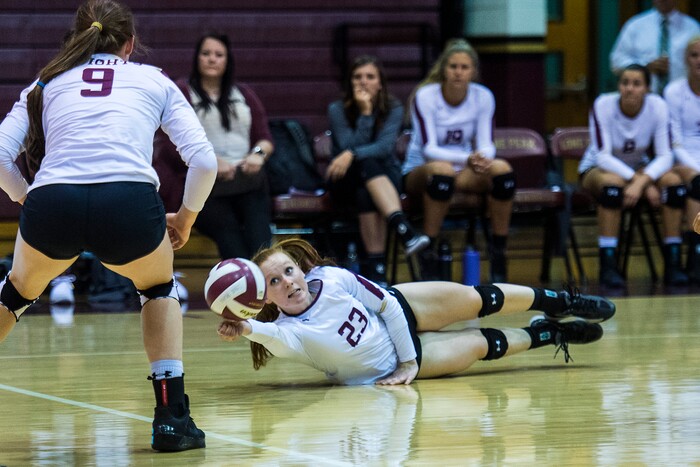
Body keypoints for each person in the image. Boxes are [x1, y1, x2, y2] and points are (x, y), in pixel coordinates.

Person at [0, 0, 217, 452]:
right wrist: (187, 218)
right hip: (129, 205)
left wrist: (28, 197)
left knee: (16, 294)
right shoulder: (152, 79)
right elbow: (204, 161)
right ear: (130, 44)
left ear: (76, 39)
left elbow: (0, 157)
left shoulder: (45, 82)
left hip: (52, 203)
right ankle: (171, 419)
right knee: (158, 290)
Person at [217, 238, 615, 386]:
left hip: (401, 313)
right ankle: (550, 334)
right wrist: (244, 327)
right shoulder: (290, 331)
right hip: (390, 364)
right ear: (265, 299)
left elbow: (387, 305)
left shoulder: (332, 278)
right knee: (480, 344)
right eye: (274, 282)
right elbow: (268, 337)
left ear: (301, 268)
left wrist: (409, 359)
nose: (287, 282)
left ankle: (560, 302)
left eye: (289, 270)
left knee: (475, 297)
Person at [402, 39, 515, 282]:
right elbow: (430, 149)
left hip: (463, 170)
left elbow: (486, 142)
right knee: (442, 170)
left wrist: (484, 158)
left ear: (473, 71)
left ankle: (498, 252)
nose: (458, 72)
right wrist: (469, 158)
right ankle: (428, 251)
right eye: (453, 66)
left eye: (464, 67)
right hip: (421, 170)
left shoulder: (483, 96)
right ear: (443, 68)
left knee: (502, 170)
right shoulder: (425, 96)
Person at [156, 32, 274, 260]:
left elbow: (265, 138)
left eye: (219, 54)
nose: (212, 59)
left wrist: (258, 154)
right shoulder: (181, 92)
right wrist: (211, 162)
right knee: (227, 229)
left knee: (259, 231)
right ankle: (243, 288)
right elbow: (170, 145)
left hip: (245, 180)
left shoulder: (244, 94)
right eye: (206, 53)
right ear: (196, 58)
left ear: (227, 60)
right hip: (204, 186)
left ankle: (269, 283)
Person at [579, 64, 688, 288]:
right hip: (598, 169)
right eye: (624, 83)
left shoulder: (657, 106)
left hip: (640, 169)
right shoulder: (603, 105)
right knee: (612, 187)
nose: (629, 89)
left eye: (636, 84)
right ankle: (608, 265)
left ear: (647, 88)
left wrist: (642, 180)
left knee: (674, 185)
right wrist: (638, 181)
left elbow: (665, 156)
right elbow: (603, 157)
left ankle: (673, 262)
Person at [327, 55, 429, 285]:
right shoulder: (336, 109)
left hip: (383, 177)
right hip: (344, 179)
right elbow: (345, 146)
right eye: (357, 77)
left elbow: (384, 148)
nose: (363, 82)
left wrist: (353, 154)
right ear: (349, 82)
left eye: (370, 77)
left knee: (367, 190)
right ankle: (403, 229)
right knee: (365, 165)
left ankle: (378, 275)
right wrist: (364, 113)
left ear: (380, 83)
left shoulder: (393, 107)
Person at [665, 36, 700, 282]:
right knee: (696, 185)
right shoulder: (674, 92)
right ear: (685, 59)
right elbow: (674, 141)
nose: (699, 61)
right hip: (683, 158)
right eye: (694, 55)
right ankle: (694, 253)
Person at [610, 0, 700, 95]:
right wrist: (644, 67)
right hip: (644, 100)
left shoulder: (693, 29)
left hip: (682, 98)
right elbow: (616, 61)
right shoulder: (635, 26)